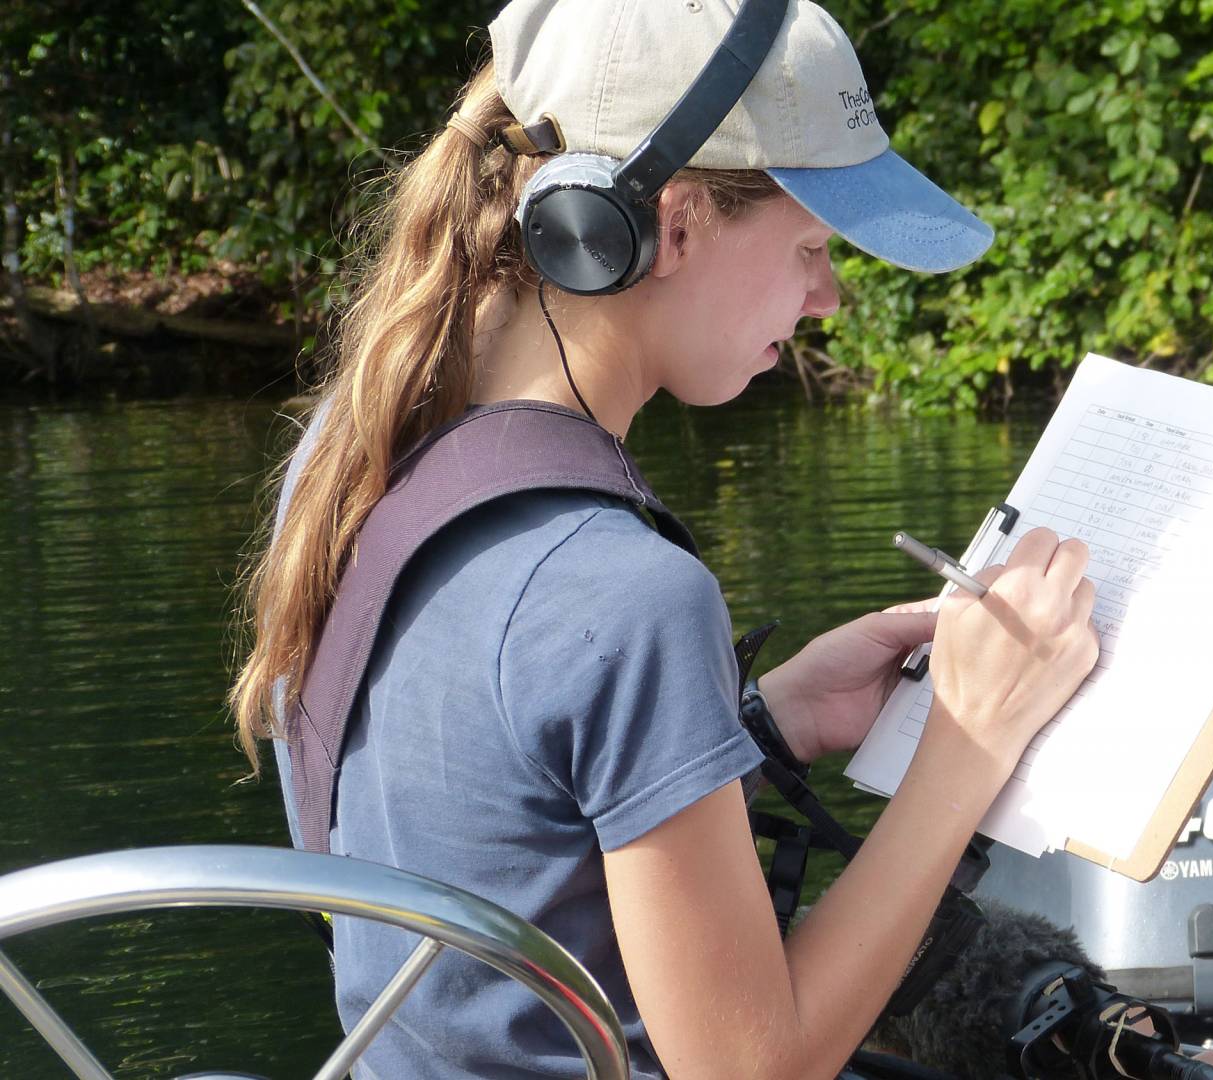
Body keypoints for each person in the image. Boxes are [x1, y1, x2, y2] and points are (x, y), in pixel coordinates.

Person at [227, 1, 1100, 1078]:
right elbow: (752, 1070)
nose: (827, 298)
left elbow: (498, 817)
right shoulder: (621, 592)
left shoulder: (348, 457)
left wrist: (763, 727)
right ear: (672, 224)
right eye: (813, 247)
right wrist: (974, 735)